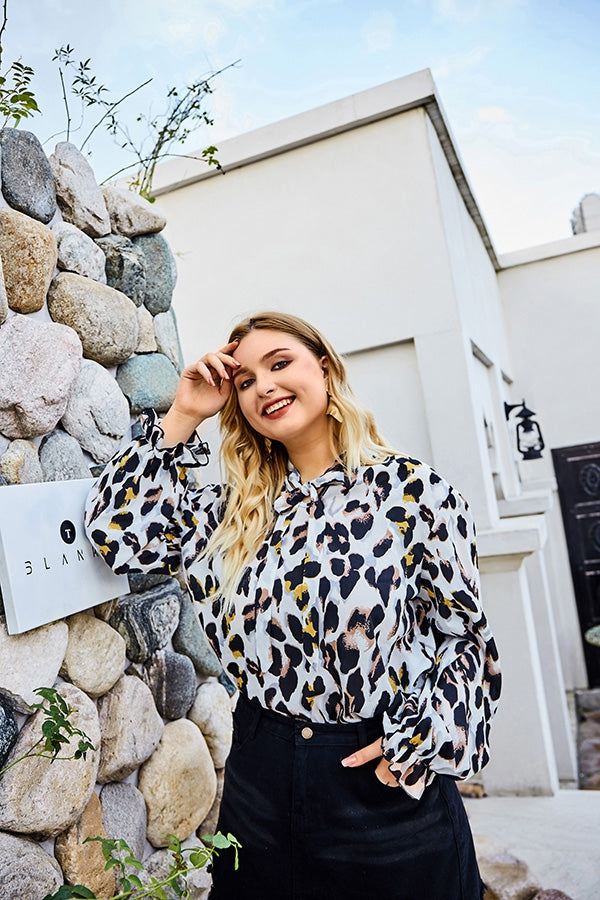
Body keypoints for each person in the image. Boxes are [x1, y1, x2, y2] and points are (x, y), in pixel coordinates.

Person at [85, 311, 501, 900]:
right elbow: (114, 533)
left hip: (377, 780)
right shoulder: (227, 510)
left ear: (325, 369)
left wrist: (420, 737)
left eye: (280, 364)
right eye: (246, 380)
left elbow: (464, 641)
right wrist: (183, 415)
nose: (265, 387)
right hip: (261, 779)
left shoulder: (413, 493)